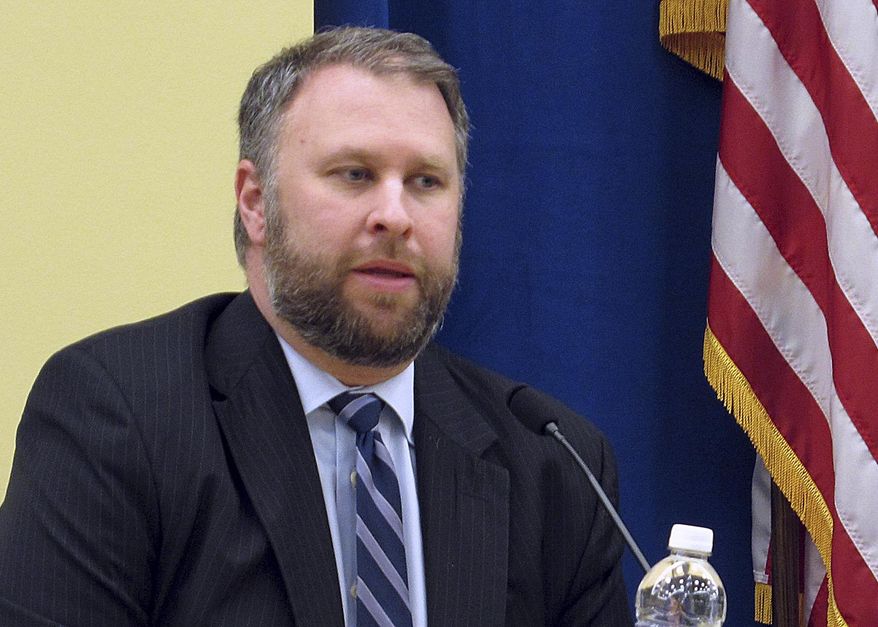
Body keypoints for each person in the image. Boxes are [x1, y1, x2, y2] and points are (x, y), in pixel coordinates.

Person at [0, 27, 631, 626]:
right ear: (255, 202)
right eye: (355, 174)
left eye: (426, 182)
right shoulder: (115, 417)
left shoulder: (554, 465)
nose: (395, 215)